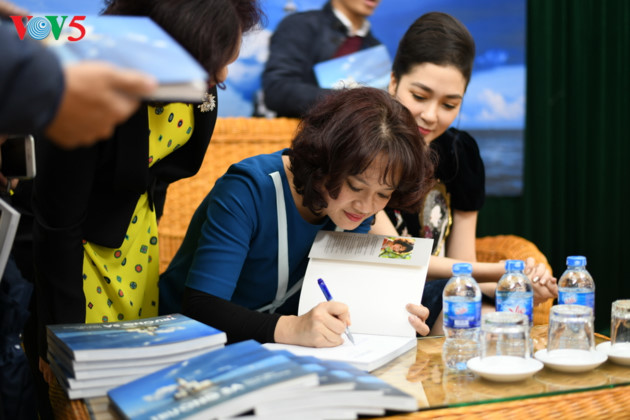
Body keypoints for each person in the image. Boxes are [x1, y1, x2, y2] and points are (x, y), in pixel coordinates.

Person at [31, 0, 263, 388]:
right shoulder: (87, 89)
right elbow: (57, 225)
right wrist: (60, 340)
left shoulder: (201, 72)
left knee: (140, 373)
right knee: (86, 374)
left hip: (138, 234)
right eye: (212, 64)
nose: (222, 75)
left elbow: (165, 169)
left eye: (227, 60)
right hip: (77, 250)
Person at [159, 86, 435, 346]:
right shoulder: (248, 189)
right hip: (179, 344)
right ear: (323, 162)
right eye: (355, 186)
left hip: (272, 350)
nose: (366, 207)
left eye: (383, 194)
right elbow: (201, 308)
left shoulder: (354, 211)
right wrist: (291, 329)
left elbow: (339, 297)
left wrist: (392, 313)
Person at [379, 12, 558, 333]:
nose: (431, 115)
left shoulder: (460, 153)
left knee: (491, 316)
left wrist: (516, 285)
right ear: (393, 81)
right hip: (376, 291)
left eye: (449, 105)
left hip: (438, 296)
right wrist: (501, 270)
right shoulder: (365, 147)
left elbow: (463, 270)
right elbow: (394, 255)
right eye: (419, 96)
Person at [261, 0, 381, 118]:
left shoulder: (375, 47)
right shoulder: (301, 25)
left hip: (355, 130)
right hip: (301, 128)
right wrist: (350, 100)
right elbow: (277, 91)